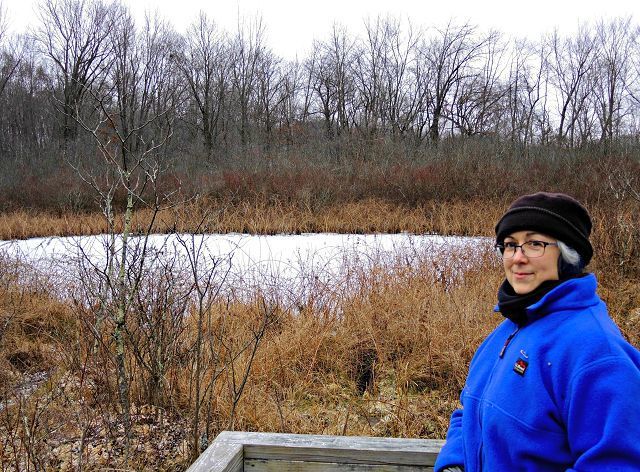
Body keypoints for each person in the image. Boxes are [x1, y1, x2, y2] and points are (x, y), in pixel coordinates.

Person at [434, 192, 640, 472]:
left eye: (534, 244)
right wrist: (453, 463)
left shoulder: (597, 352)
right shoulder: (512, 326)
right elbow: (468, 411)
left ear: (568, 256)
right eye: (510, 245)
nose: (517, 258)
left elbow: (615, 465)